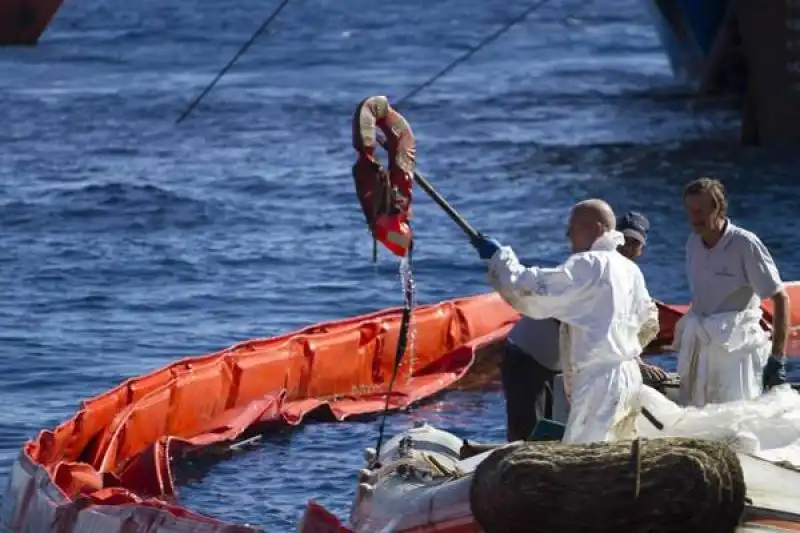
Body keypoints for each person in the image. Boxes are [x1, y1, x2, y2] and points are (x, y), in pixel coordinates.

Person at [472, 199, 657, 444]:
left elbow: (530, 290)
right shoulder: (631, 271)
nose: (567, 233)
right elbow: (649, 322)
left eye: (574, 226)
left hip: (599, 384)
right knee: (616, 452)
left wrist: (499, 258)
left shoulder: (590, 264)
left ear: (598, 228)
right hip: (628, 379)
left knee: (587, 456)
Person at [676, 177, 789, 407]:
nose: (694, 218)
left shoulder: (745, 244)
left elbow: (780, 298)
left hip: (736, 348)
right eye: (690, 211)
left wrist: (777, 358)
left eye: (700, 211)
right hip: (701, 344)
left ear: (717, 208)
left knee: (736, 412)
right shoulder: (693, 243)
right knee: (696, 411)